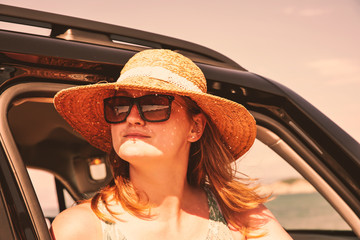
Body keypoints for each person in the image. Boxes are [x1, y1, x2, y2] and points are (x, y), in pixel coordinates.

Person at [51, 49, 292, 240]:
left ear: (195, 128)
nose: (132, 117)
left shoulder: (242, 217)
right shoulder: (80, 229)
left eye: (154, 105)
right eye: (120, 105)